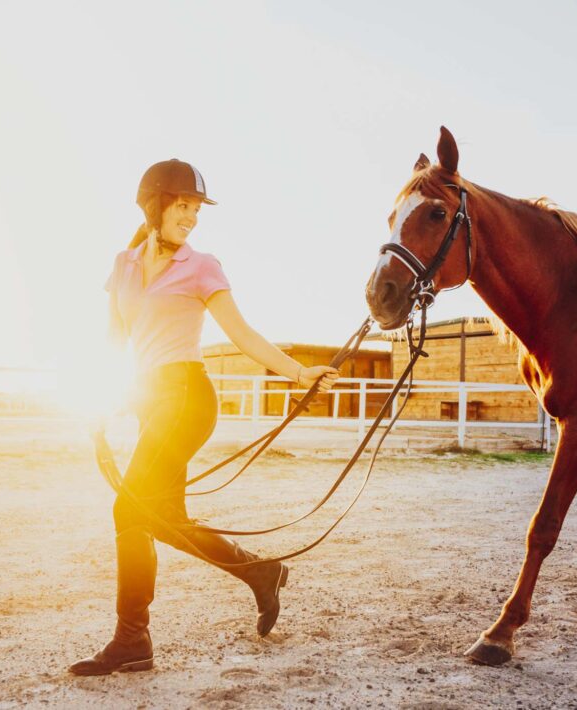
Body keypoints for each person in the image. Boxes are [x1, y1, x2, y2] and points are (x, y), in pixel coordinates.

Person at [69, 159, 339, 676]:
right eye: (183, 206)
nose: (191, 218)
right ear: (155, 205)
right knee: (162, 518)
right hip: (150, 399)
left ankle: (132, 639)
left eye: (196, 209)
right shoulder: (123, 266)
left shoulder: (202, 265)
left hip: (188, 398)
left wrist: (296, 372)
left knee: (129, 512)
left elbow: (242, 333)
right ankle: (260, 573)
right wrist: (97, 404)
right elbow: (112, 344)